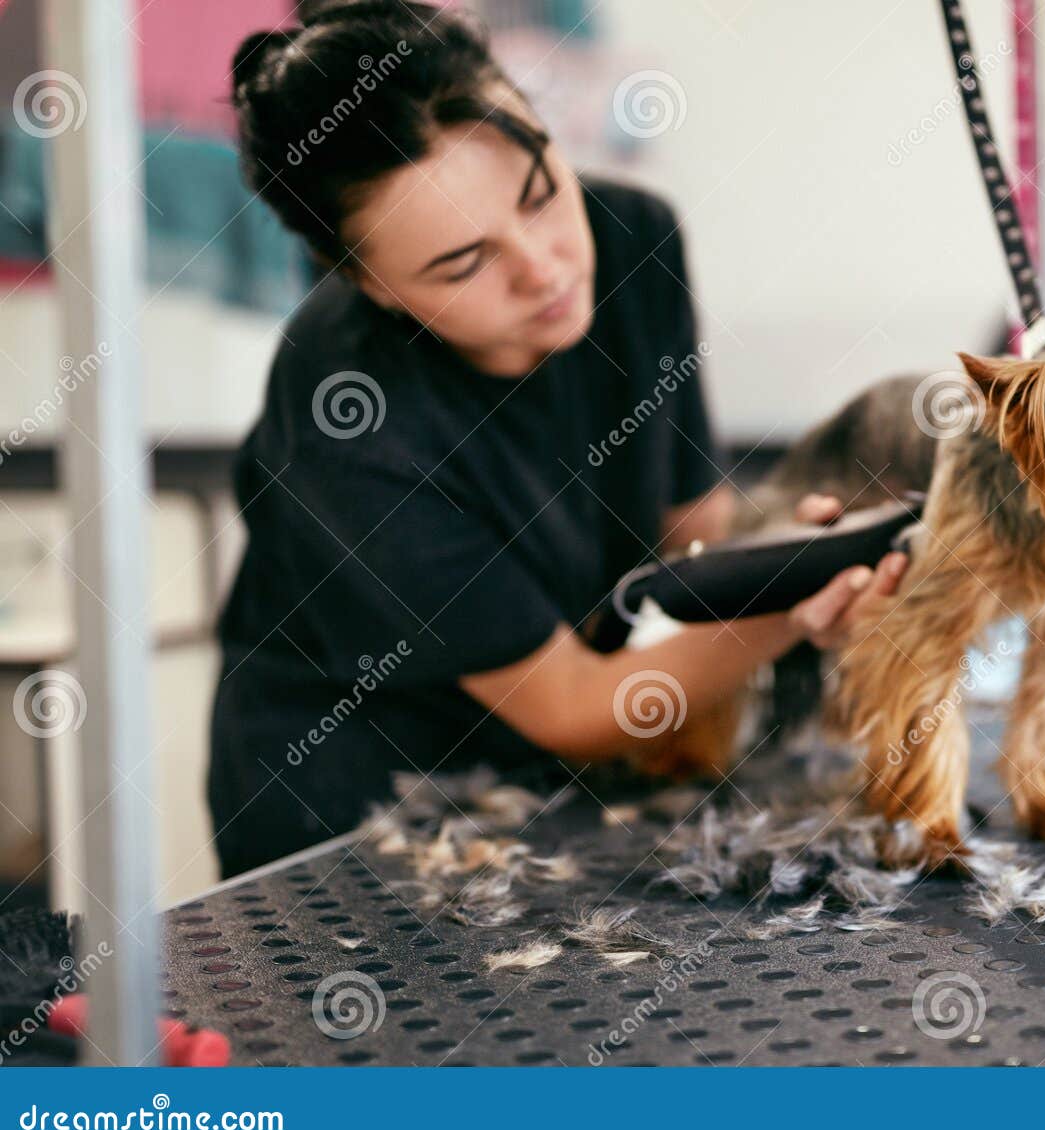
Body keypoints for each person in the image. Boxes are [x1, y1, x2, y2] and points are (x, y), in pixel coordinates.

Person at [209, 1, 904, 876]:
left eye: (542, 194)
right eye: (464, 264)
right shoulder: (343, 410)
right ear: (367, 282)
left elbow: (690, 537)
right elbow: (574, 699)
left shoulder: (633, 239)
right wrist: (791, 607)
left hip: (566, 786)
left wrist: (780, 562)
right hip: (357, 808)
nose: (546, 268)